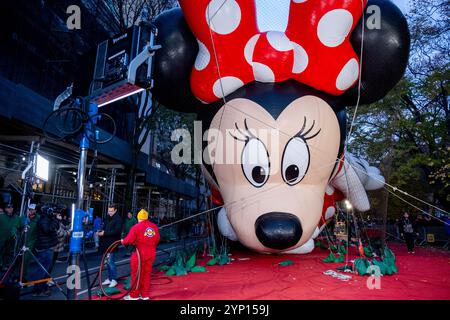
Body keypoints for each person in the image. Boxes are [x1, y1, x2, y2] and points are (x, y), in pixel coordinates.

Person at [121, 209, 160, 300]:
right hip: (151, 254)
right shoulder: (154, 226)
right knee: (147, 274)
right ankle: (145, 295)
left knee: (136, 275)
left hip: (139, 254)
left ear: (139, 218)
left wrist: (123, 241)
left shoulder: (136, 227)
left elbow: (129, 240)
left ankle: (134, 295)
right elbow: (157, 239)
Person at [32, 205, 59, 296]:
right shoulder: (44, 220)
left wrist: (55, 220)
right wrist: (55, 220)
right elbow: (48, 230)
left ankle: (40, 288)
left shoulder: (47, 219)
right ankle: (38, 290)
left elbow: (56, 227)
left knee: (44, 269)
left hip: (48, 247)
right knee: (42, 270)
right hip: (45, 248)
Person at [97, 203, 123, 288]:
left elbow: (117, 231)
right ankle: (110, 278)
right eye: (109, 211)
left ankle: (114, 279)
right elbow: (104, 227)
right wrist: (100, 231)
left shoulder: (118, 219)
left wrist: (104, 233)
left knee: (111, 262)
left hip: (112, 243)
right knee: (107, 262)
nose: (110, 212)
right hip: (106, 243)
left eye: (111, 211)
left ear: (115, 210)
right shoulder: (107, 217)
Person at [0, 203, 22, 271]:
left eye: (11, 207)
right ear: (5, 209)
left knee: (9, 252)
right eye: (8, 207)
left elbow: (20, 227)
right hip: (1, 238)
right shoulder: (1, 216)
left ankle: (6, 266)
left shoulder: (16, 217)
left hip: (11, 239)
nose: (10, 209)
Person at [21, 203, 40, 278]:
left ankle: (23, 276)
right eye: (29, 209)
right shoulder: (24, 217)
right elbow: (18, 226)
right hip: (22, 241)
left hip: (31, 242)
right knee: (19, 259)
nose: (30, 211)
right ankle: (16, 276)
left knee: (26, 260)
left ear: (36, 210)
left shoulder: (38, 218)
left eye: (32, 209)